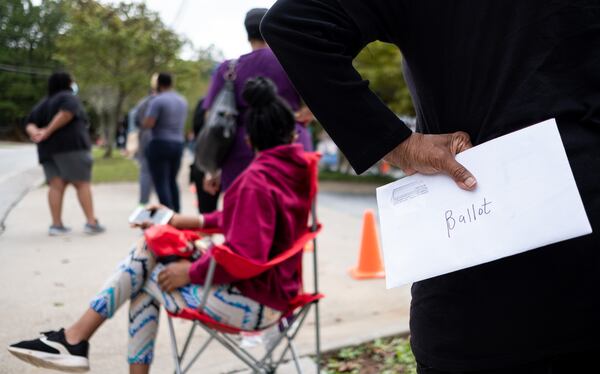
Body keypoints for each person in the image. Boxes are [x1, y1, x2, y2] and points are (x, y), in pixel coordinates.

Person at [261, 1, 600, 373]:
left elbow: (295, 23)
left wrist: (398, 145)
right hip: (489, 269)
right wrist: (399, 144)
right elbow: (294, 25)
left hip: (477, 282)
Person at [8, 77, 313, 374]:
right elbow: (248, 222)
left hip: (254, 305)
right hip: (281, 293)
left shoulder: (256, 181)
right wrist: (181, 220)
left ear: (248, 140)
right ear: (293, 134)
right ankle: (75, 339)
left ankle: (75, 339)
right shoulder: (295, 171)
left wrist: (189, 272)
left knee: (143, 278)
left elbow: (246, 255)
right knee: (151, 251)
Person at [201, 7, 314, 195]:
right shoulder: (293, 60)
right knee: (294, 213)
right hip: (293, 143)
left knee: (241, 213)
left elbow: (210, 118)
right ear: (274, 26)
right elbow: (321, 101)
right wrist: (298, 116)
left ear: (248, 34)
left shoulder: (228, 69)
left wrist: (211, 168)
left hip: (242, 148)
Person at [24, 71, 105, 236]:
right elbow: (66, 114)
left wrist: (36, 133)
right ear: (68, 83)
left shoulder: (43, 103)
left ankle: (56, 225)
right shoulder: (68, 97)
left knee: (56, 186)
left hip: (47, 150)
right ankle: (91, 222)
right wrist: (47, 131)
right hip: (71, 147)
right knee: (82, 183)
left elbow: (29, 123)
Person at [142, 72, 187, 212]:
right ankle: (177, 214)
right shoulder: (182, 100)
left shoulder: (157, 100)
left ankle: (168, 216)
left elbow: (149, 123)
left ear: (158, 84)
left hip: (160, 143)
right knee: (172, 181)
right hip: (178, 144)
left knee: (161, 182)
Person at [129, 73, 158, 206]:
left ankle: (143, 202)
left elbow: (135, 120)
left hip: (145, 138)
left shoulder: (143, 103)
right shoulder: (162, 101)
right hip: (156, 138)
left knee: (145, 171)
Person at [190, 97, 220, 213]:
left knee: (206, 210)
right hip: (234, 161)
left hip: (206, 160)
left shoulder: (205, 102)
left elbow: (197, 127)